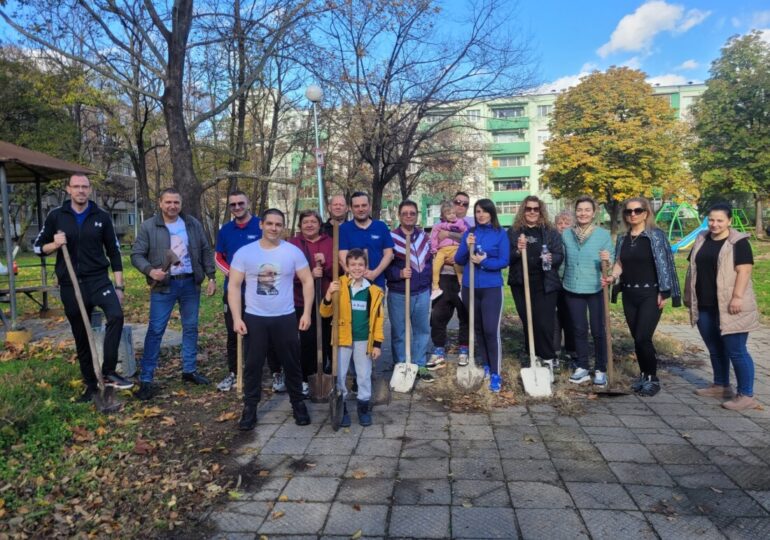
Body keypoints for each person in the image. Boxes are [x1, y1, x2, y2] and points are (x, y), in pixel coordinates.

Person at [34, 174, 133, 402]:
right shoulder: (56, 216)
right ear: (68, 189)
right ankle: (90, 385)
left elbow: (114, 252)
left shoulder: (102, 216)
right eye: (76, 186)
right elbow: (38, 247)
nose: (80, 190)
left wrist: (119, 286)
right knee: (81, 335)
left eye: (84, 187)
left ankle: (108, 371)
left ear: (90, 190)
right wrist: (55, 244)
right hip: (70, 283)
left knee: (116, 316)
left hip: (99, 280)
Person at [228, 209, 314, 430]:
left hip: (285, 317)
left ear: (283, 227)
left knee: (291, 363)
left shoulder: (292, 252)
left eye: (278, 224)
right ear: (261, 225)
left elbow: (307, 280)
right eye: (270, 224)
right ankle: (250, 408)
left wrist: (306, 313)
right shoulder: (245, 253)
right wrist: (237, 317)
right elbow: (234, 286)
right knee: (253, 365)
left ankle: (298, 404)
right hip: (255, 318)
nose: (274, 228)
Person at [131, 188, 217, 400]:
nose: (172, 206)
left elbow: (205, 249)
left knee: (191, 327)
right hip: (164, 286)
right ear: (160, 203)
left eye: (176, 202)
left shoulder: (192, 224)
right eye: (168, 202)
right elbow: (136, 254)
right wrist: (150, 271)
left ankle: (189, 370)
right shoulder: (149, 226)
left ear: (181, 204)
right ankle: (147, 379)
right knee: (156, 330)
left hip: (189, 283)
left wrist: (211, 276)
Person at [684, 203, 760, 410]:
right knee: (715, 348)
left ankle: (746, 395)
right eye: (711, 220)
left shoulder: (738, 242)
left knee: (737, 351)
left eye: (719, 220)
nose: (714, 224)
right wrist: (688, 295)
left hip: (730, 305)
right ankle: (721, 385)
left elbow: (744, 271)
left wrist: (737, 297)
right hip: (705, 304)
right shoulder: (701, 238)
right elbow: (692, 268)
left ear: (729, 221)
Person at [605, 197, 681, 397]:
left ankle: (652, 379)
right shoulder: (623, 238)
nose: (633, 214)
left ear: (646, 213)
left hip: (651, 293)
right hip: (629, 294)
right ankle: (644, 376)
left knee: (642, 337)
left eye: (637, 210)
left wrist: (664, 292)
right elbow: (620, 262)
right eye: (628, 211)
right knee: (637, 339)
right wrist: (612, 277)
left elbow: (664, 264)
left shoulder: (656, 236)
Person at [321, 249, 384, 426]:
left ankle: (363, 407)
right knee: (340, 375)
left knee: (363, 375)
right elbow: (324, 312)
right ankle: (342, 408)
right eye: (353, 265)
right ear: (347, 267)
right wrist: (329, 294)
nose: (357, 268)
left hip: (364, 340)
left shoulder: (373, 291)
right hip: (342, 339)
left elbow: (378, 320)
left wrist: (377, 344)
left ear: (366, 267)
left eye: (360, 265)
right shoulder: (339, 286)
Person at [455, 199, 510, 392]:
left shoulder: (500, 233)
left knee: (490, 330)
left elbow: (504, 261)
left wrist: (484, 262)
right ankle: (486, 365)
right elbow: (458, 259)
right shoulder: (470, 233)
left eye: (485, 211)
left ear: (491, 213)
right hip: (470, 287)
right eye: (478, 211)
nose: (481, 215)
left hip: (491, 288)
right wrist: (466, 245)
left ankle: (496, 373)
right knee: (477, 328)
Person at [214, 190, 266, 392]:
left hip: (261, 288)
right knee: (233, 332)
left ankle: (266, 371)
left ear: (248, 203)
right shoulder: (225, 230)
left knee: (262, 331)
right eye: (232, 204)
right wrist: (234, 274)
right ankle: (234, 372)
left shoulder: (261, 225)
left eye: (240, 203)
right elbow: (219, 257)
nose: (237, 207)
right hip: (234, 290)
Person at [560, 197, 613, 386]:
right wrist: (557, 280)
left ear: (594, 213)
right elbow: (563, 261)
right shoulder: (567, 234)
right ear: (575, 212)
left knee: (598, 330)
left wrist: (607, 260)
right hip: (572, 287)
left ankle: (600, 368)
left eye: (587, 210)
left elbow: (611, 260)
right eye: (579, 210)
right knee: (578, 329)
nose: (583, 213)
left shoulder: (603, 235)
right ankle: (582, 366)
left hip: (596, 287)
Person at [508, 196, 563, 372]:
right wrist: (518, 250)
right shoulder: (514, 232)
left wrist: (551, 258)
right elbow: (506, 257)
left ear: (540, 211)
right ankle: (533, 355)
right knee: (528, 321)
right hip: (521, 283)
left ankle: (548, 357)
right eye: (528, 209)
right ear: (523, 211)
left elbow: (559, 255)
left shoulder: (550, 232)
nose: (532, 212)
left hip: (545, 283)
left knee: (544, 322)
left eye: (536, 209)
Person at [385, 200, 434, 383]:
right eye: (405, 213)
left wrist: (428, 282)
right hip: (399, 293)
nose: (408, 216)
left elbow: (429, 262)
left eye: (412, 213)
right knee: (399, 332)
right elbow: (384, 267)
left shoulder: (423, 238)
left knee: (422, 330)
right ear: (399, 215)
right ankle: (401, 364)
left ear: (417, 215)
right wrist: (398, 273)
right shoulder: (390, 238)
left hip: (421, 292)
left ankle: (419, 364)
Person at [288, 209, 333, 396]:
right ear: (300, 225)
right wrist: (307, 276)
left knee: (329, 339)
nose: (309, 225)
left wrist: (326, 264)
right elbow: (286, 272)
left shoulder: (329, 243)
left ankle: (330, 376)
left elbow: (338, 270)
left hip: (327, 300)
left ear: (319, 224)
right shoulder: (292, 244)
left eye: (313, 222)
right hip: (302, 301)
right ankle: (308, 377)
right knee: (308, 341)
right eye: (306, 222)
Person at [428, 191, 472, 369]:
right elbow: (434, 241)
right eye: (457, 202)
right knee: (438, 315)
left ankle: (464, 349)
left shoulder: (468, 225)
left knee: (465, 314)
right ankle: (438, 349)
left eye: (464, 203)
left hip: (463, 276)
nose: (460, 206)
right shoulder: (439, 225)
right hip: (444, 276)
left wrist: (449, 236)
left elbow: (470, 242)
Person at [338, 192, 394, 287]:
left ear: (370, 206)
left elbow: (388, 254)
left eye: (364, 205)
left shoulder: (381, 226)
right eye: (356, 206)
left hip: (377, 283)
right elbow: (343, 256)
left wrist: (374, 273)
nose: (360, 209)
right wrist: (357, 275)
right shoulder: (344, 229)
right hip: (353, 285)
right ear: (351, 208)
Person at [429, 200, 467, 301]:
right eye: (449, 214)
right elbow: (433, 238)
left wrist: (456, 230)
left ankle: (462, 287)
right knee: (436, 265)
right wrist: (434, 248)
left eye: (454, 213)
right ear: (443, 215)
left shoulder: (460, 222)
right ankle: (435, 287)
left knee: (458, 265)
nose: (452, 215)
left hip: (455, 248)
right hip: (442, 249)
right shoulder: (438, 225)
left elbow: (466, 233)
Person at [553, 210, 576, 364]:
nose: (562, 226)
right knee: (554, 319)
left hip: (571, 284)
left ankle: (572, 350)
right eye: (559, 223)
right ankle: (554, 350)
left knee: (571, 318)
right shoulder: (552, 240)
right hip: (555, 284)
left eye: (566, 223)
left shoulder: (575, 241)